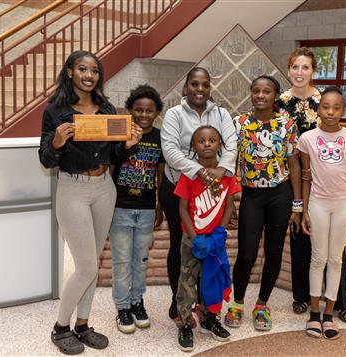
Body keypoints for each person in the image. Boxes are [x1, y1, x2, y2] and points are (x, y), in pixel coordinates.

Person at [39, 50, 143, 355]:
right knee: (84, 266)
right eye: (83, 69)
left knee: (92, 264)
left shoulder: (106, 108)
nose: (89, 75)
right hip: (73, 189)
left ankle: (82, 325)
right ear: (70, 71)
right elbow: (46, 158)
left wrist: (128, 146)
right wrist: (57, 142)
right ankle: (60, 327)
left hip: (104, 189)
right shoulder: (56, 111)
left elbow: (116, 156)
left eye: (94, 71)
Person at [277, 47, 346, 324]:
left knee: (335, 247)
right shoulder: (280, 102)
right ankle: (302, 296)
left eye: (305, 67)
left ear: (313, 71)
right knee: (300, 233)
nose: (300, 73)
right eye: (295, 67)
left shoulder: (324, 100)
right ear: (289, 71)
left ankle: (340, 301)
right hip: (293, 175)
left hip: (322, 179)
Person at [224, 75, 301, 332]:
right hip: (251, 196)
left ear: (275, 95)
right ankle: (237, 302)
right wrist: (230, 200)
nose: (260, 95)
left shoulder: (287, 124)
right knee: (246, 254)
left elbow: (293, 163)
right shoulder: (240, 123)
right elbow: (231, 164)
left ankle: (261, 304)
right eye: (255, 91)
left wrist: (298, 203)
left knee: (274, 252)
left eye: (266, 91)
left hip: (280, 194)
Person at [160, 67, 237, 320]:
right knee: (180, 245)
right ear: (186, 87)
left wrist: (222, 171)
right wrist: (201, 173)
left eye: (205, 85)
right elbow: (170, 151)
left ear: (210, 88)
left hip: (214, 193)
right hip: (179, 187)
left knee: (211, 248)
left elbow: (230, 145)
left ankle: (206, 304)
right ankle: (178, 301)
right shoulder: (174, 114)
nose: (200, 89)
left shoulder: (222, 114)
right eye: (194, 84)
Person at [298, 86, 346, 340]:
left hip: (343, 203)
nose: (330, 112)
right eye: (325, 106)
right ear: (318, 109)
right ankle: (314, 314)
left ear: (343, 110)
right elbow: (305, 176)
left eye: (336, 107)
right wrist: (303, 210)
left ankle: (329, 314)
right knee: (318, 258)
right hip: (318, 204)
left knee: (335, 259)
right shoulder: (308, 139)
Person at [174, 125, 241, 352]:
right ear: (194, 146)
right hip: (192, 240)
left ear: (220, 144)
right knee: (187, 282)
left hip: (215, 240)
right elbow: (182, 209)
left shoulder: (228, 176)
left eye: (212, 140)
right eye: (201, 141)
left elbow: (230, 206)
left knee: (212, 281)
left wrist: (220, 233)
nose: (207, 144)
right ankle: (184, 323)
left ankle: (209, 320)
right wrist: (194, 238)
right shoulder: (189, 176)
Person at [109, 84, 165, 333]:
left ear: (156, 113)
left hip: (146, 209)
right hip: (119, 207)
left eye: (149, 111)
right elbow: (111, 166)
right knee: (121, 261)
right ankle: (122, 307)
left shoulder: (160, 137)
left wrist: (159, 205)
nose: (143, 115)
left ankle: (136, 302)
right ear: (131, 110)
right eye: (138, 110)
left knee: (140, 260)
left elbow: (161, 176)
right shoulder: (121, 133)